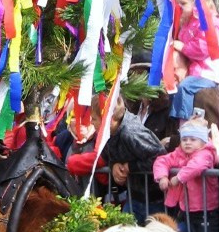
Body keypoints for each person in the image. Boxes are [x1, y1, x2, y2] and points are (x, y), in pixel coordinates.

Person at [66, 94, 166, 223]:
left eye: (94, 119)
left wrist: (129, 167)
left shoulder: (131, 133)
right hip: (134, 196)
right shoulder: (108, 132)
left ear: (109, 119)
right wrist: (113, 165)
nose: (91, 122)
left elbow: (159, 158)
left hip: (154, 200)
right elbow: (107, 155)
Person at [170, 0, 219, 121]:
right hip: (196, 70)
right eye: (178, 3)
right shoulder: (188, 23)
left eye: (183, 3)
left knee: (184, 87)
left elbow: (204, 47)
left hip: (208, 73)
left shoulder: (208, 23)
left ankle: (183, 121)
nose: (179, 7)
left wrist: (182, 46)